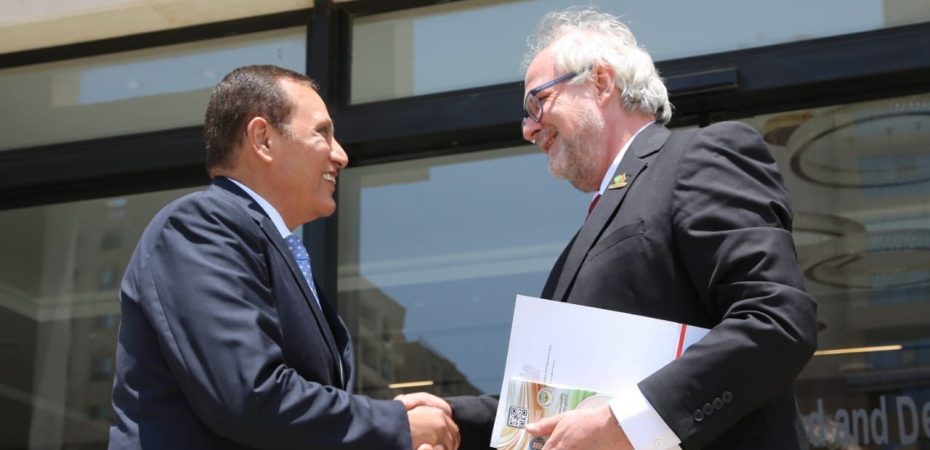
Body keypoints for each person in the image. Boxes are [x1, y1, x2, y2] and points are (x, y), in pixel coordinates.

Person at [401, 6, 817, 450]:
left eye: (537, 102)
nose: (528, 129)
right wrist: (451, 420)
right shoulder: (584, 237)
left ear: (600, 82)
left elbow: (775, 321)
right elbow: (552, 410)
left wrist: (625, 423)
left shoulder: (699, 156)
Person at [108, 64, 459, 450]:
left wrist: (401, 424)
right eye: (322, 133)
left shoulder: (267, 245)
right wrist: (395, 424)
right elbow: (252, 397)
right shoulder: (198, 224)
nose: (341, 155)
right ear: (263, 139)